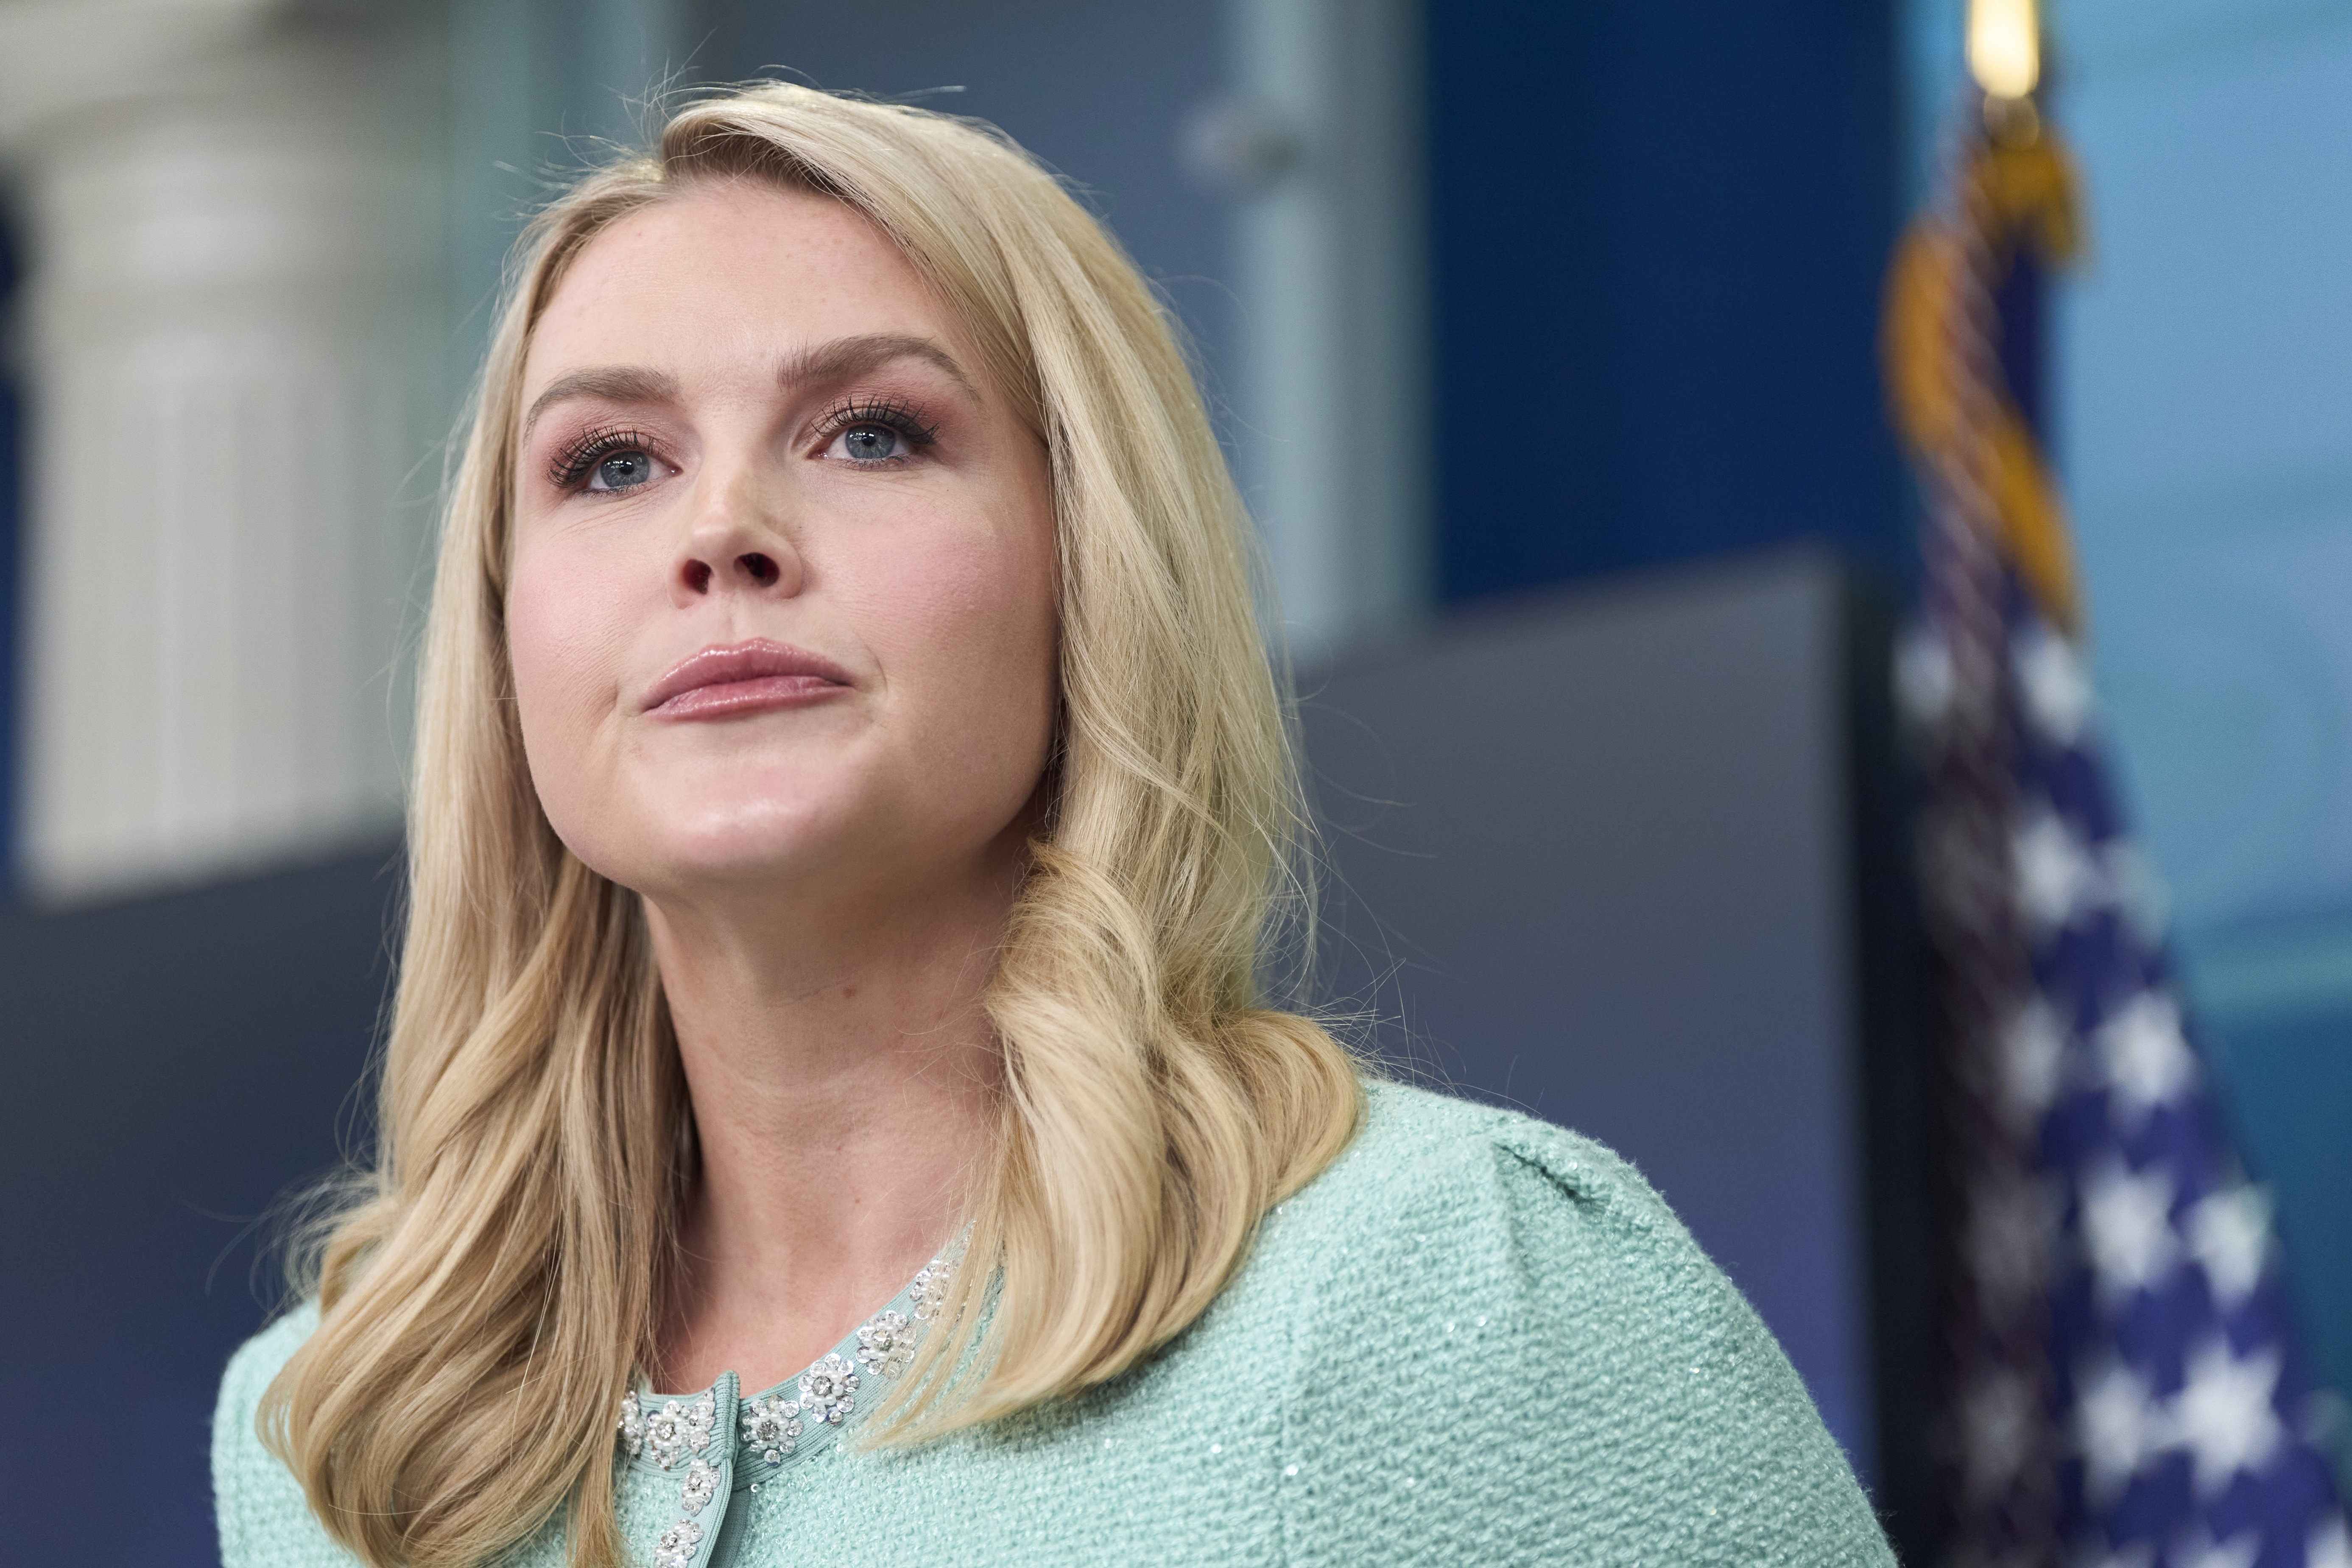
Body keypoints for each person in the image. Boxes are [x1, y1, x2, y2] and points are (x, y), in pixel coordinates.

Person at [212, 83, 1897, 1568]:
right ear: (504, 638)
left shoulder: (1454, 1293)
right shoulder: (334, 1435)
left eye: (872, 431)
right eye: (609, 462)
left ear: (1092, 568)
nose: (720, 529)